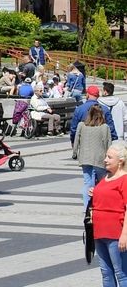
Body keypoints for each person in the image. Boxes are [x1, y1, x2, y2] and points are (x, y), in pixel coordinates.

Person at [91, 142, 127, 287]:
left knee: (121, 274)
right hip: (99, 233)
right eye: (106, 156)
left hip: (115, 234)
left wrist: (124, 234)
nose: (105, 159)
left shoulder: (124, 180)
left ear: (120, 161)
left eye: (109, 157)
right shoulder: (105, 177)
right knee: (106, 273)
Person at [75, 105, 113, 208]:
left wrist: (75, 153)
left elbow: (76, 140)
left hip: (85, 158)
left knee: (87, 182)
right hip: (100, 158)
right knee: (103, 182)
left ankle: (87, 206)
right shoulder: (105, 127)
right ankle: (103, 203)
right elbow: (108, 143)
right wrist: (109, 157)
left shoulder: (81, 125)